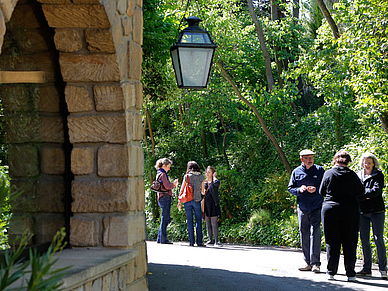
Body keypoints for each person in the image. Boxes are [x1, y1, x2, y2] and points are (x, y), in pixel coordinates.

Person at [319, 150, 364, 282]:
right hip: (350, 210)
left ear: (335, 161)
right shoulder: (352, 175)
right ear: (348, 161)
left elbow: (322, 191)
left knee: (332, 241)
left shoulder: (329, 173)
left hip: (330, 209)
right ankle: (350, 273)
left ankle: (331, 271)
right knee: (350, 242)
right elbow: (361, 191)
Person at [288, 149, 325, 273]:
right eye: (307, 158)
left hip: (317, 206)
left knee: (315, 234)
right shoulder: (296, 171)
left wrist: (316, 189)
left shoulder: (320, 170)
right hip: (302, 208)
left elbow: (325, 187)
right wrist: (300, 189)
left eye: (312, 157)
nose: (310, 160)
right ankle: (307, 263)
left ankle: (316, 264)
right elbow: (290, 188)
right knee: (304, 234)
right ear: (302, 159)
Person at [356, 153, 387, 279]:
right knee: (364, 240)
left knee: (378, 239)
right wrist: (365, 195)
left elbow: (376, 191)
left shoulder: (378, 174)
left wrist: (363, 194)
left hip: (377, 211)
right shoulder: (358, 175)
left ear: (373, 163)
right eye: (365, 162)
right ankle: (366, 268)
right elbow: (355, 192)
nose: (367, 165)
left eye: (369, 162)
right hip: (362, 211)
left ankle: (383, 269)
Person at [179, 161, 205, 247]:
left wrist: (179, 201)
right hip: (197, 201)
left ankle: (191, 241)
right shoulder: (201, 177)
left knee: (189, 221)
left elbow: (182, 189)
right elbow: (202, 191)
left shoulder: (186, 176)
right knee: (198, 220)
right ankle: (200, 241)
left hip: (187, 200)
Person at [155, 158, 179, 244]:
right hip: (165, 197)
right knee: (165, 218)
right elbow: (168, 186)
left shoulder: (158, 173)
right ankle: (163, 239)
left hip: (161, 197)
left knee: (164, 218)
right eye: (168, 167)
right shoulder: (163, 174)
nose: (169, 169)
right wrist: (174, 184)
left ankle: (160, 238)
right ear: (164, 165)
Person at [202, 166, 222, 246]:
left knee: (214, 223)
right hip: (206, 205)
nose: (207, 174)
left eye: (209, 172)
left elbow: (215, 184)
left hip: (214, 205)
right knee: (208, 223)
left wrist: (214, 177)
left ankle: (217, 241)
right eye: (207, 172)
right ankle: (210, 240)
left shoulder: (216, 182)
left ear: (213, 173)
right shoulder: (204, 183)